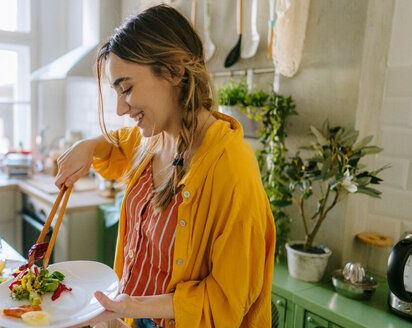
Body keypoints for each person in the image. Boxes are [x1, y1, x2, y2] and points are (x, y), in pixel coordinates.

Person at [56, 5, 275, 328]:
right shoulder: (154, 140)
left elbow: (228, 298)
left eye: (127, 88)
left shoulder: (232, 167)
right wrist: (88, 146)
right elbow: (118, 142)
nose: (119, 108)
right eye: (116, 92)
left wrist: (131, 305)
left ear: (173, 71)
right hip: (134, 316)